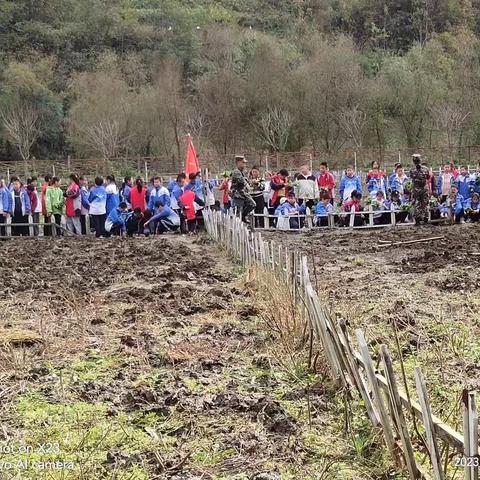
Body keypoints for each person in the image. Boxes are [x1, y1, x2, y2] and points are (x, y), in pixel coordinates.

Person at [230, 155, 256, 222]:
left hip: (243, 193)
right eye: (243, 162)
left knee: (252, 204)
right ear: (238, 162)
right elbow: (242, 181)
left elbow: (246, 181)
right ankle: (239, 222)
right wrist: (249, 185)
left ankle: (243, 217)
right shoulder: (236, 172)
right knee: (238, 211)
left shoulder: (242, 172)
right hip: (237, 194)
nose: (244, 164)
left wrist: (251, 182)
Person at [409, 154, 430, 226]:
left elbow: (427, 177)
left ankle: (423, 219)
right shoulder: (424, 169)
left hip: (420, 188)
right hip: (418, 188)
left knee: (421, 203)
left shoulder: (413, 169)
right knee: (418, 204)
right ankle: (421, 219)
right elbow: (428, 177)